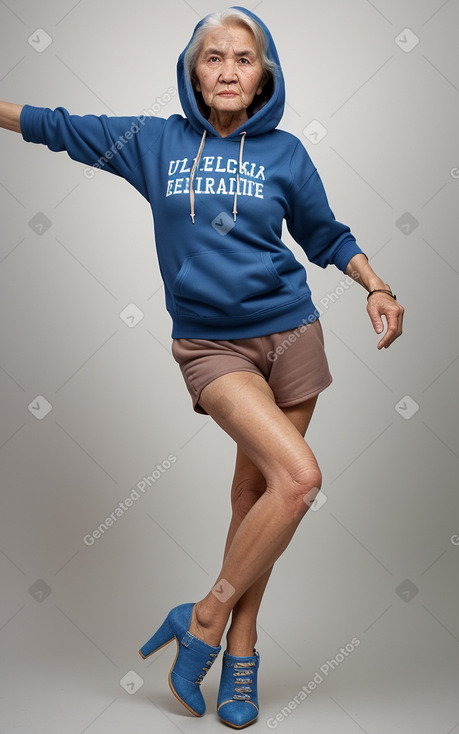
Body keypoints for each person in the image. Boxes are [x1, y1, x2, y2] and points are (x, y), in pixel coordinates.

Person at [0, 5, 404, 729]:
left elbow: (323, 234)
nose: (226, 69)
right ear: (193, 72)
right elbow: (53, 125)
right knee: (300, 479)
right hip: (213, 349)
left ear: (262, 77)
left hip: (293, 337)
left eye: (242, 59)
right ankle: (206, 617)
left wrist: (374, 284)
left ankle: (235, 657)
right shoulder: (152, 143)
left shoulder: (283, 153)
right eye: (212, 56)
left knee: (259, 503)